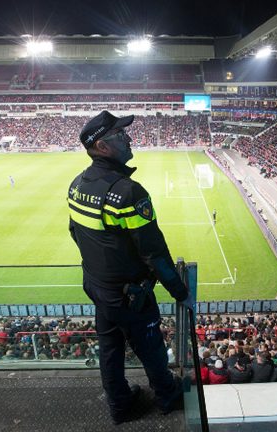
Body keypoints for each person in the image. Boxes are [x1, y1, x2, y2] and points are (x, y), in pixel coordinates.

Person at [67, 110, 189, 425]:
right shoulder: (127, 192)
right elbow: (154, 252)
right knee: (151, 348)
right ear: (102, 147)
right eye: (120, 135)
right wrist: (179, 290)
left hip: (98, 287)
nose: (129, 137)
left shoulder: (77, 185)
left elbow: (75, 233)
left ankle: (120, 406)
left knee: (109, 349)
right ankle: (167, 396)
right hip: (129, 294)